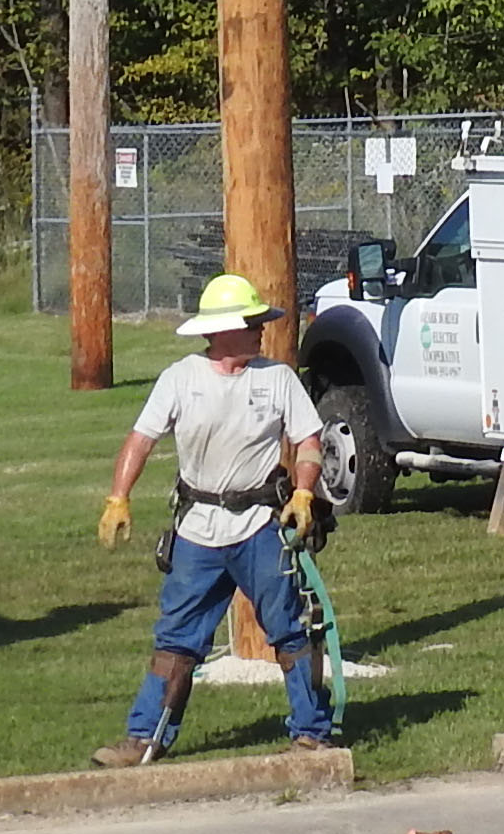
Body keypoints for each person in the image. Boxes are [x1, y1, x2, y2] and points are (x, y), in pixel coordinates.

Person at [91, 274, 335, 768]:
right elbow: (140, 440)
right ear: (223, 330)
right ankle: (145, 739)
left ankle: (312, 734)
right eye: (252, 322)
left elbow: (309, 441)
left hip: (260, 526)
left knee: (291, 630)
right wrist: (118, 498)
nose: (261, 331)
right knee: (176, 639)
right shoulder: (180, 379)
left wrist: (305, 492)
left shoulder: (278, 378)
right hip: (197, 531)